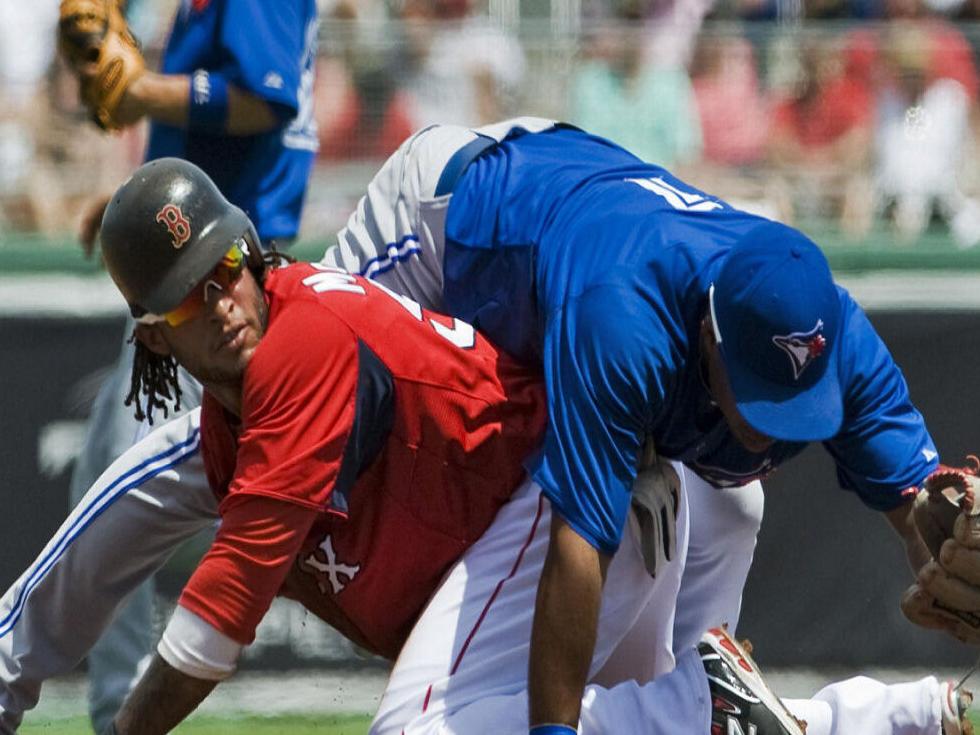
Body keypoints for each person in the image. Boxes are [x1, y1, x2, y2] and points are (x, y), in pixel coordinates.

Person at [0, 158, 967, 735]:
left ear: (252, 250)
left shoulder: (298, 342)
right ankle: (886, 715)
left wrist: (939, 505)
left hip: (574, 486)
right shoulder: (246, 400)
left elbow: (213, 627)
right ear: (154, 332)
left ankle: (707, 699)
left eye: (226, 269)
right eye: (189, 294)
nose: (221, 300)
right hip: (498, 285)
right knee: (200, 458)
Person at [321, 117, 953, 733]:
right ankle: (730, 712)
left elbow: (927, 511)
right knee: (291, 408)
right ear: (709, 335)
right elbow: (579, 550)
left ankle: (711, 706)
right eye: (760, 394)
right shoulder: (624, 322)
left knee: (724, 512)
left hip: (585, 244)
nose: (770, 431)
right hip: (452, 219)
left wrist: (957, 550)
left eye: (795, 400)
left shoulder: (832, 337)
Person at [57, 0, 319, 729]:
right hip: (195, 255)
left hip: (216, 281)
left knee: (122, 492)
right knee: (104, 483)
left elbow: (263, 100)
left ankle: (123, 715)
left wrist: (142, 92)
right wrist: (131, 205)